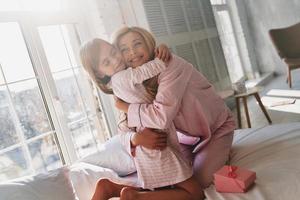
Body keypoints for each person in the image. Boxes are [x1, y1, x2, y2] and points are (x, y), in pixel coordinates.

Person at [112, 26, 236, 197]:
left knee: (199, 180)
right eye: (124, 49)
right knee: (167, 177)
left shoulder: (170, 64)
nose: (132, 52)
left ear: (149, 44)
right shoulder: (129, 81)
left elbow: (161, 117)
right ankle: (112, 188)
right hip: (185, 138)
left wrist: (126, 107)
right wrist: (135, 138)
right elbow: (123, 129)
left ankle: (138, 197)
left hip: (216, 128)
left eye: (137, 44)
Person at [80, 38, 204, 200]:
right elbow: (145, 72)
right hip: (155, 142)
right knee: (195, 194)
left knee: (164, 187)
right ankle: (135, 197)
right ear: (99, 73)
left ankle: (109, 188)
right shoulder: (123, 78)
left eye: (113, 52)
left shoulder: (118, 83)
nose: (116, 60)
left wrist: (160, 49)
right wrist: (163, 59)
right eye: (106, 62)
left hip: (151, 143)